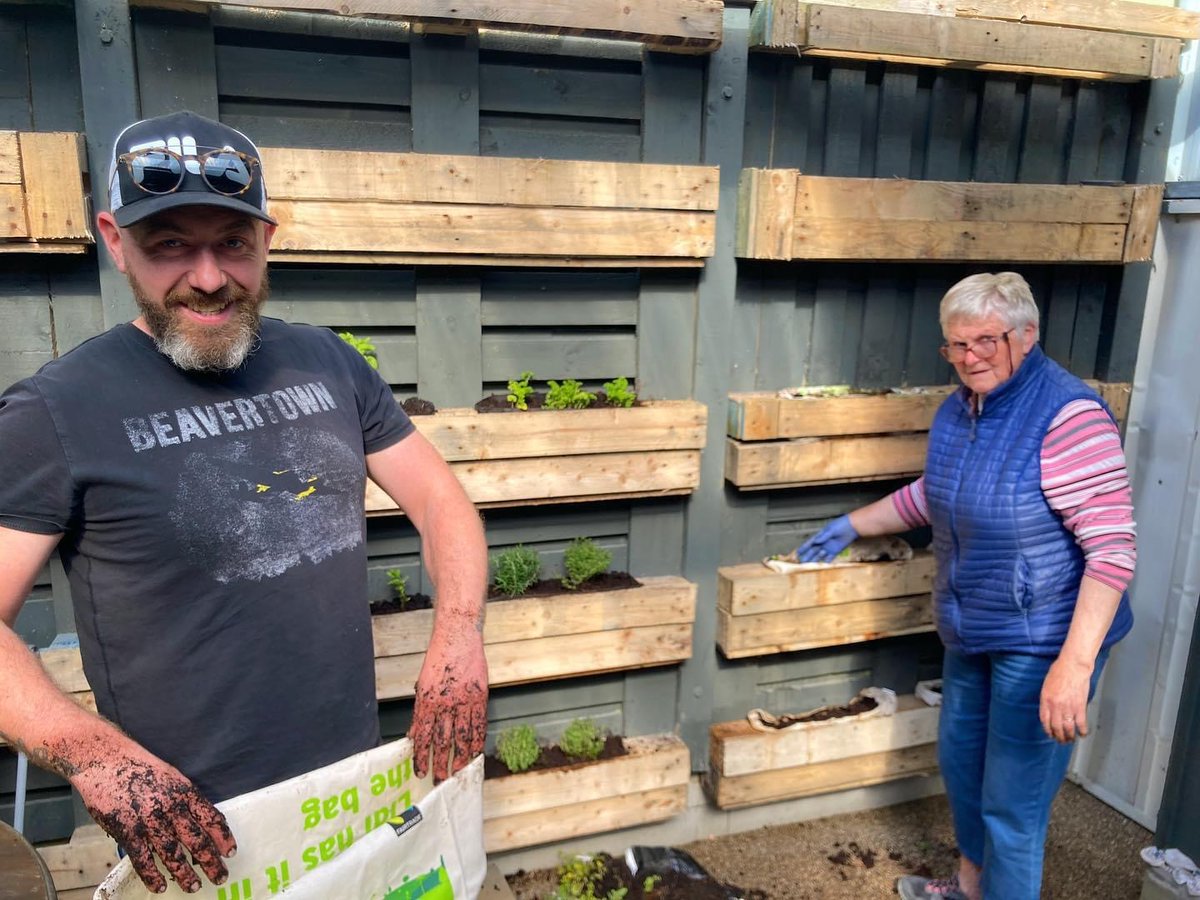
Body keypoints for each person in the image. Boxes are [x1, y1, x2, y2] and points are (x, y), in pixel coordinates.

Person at [0, 111, 489, 894]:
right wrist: (95, 756)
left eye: (231, 242)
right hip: (195, 831)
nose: (206, 276)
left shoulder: (326, 361)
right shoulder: (56, 412)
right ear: (113, 239)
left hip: (353, 790)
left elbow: (439, 500)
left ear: (267, 238)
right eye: (169, 245)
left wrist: (460, 636)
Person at [795, 272, 1136, 900]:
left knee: (1013, 807)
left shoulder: (1068, 417)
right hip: (974, 624)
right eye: (955, 345)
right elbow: (939, 493)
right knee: (963, 770)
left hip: (1043, 638)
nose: (969, 357)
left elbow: (1112, 551)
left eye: (985, 340)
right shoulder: (961, 408)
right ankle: (971, 888)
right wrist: (853, 524)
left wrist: (1074, 666)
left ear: (1027, 336)